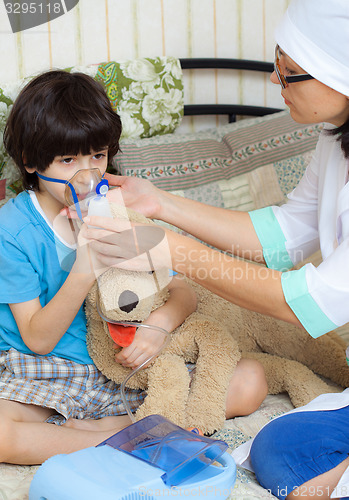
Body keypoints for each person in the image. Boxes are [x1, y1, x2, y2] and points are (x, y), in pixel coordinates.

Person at [81, 0, 349, 497]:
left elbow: (306, 302)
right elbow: (281, 234)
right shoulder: (335, 140)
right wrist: (161, 204)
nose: (275, 81)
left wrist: (172, 252)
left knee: (297, 466)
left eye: (290, 75)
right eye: (276, 65)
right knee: (277, 451)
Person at [0, 69, 267, 465]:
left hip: (125, 369)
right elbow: (38, 339)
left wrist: (158, 328)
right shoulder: (13, 230)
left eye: (98, 155)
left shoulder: (118, 211)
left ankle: (117, 430)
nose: (87, 174)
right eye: (68, 159)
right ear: (30, 160)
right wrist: (87, 265)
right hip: (44, 370)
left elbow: (182, 291)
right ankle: (135, 433)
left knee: (251, 382)